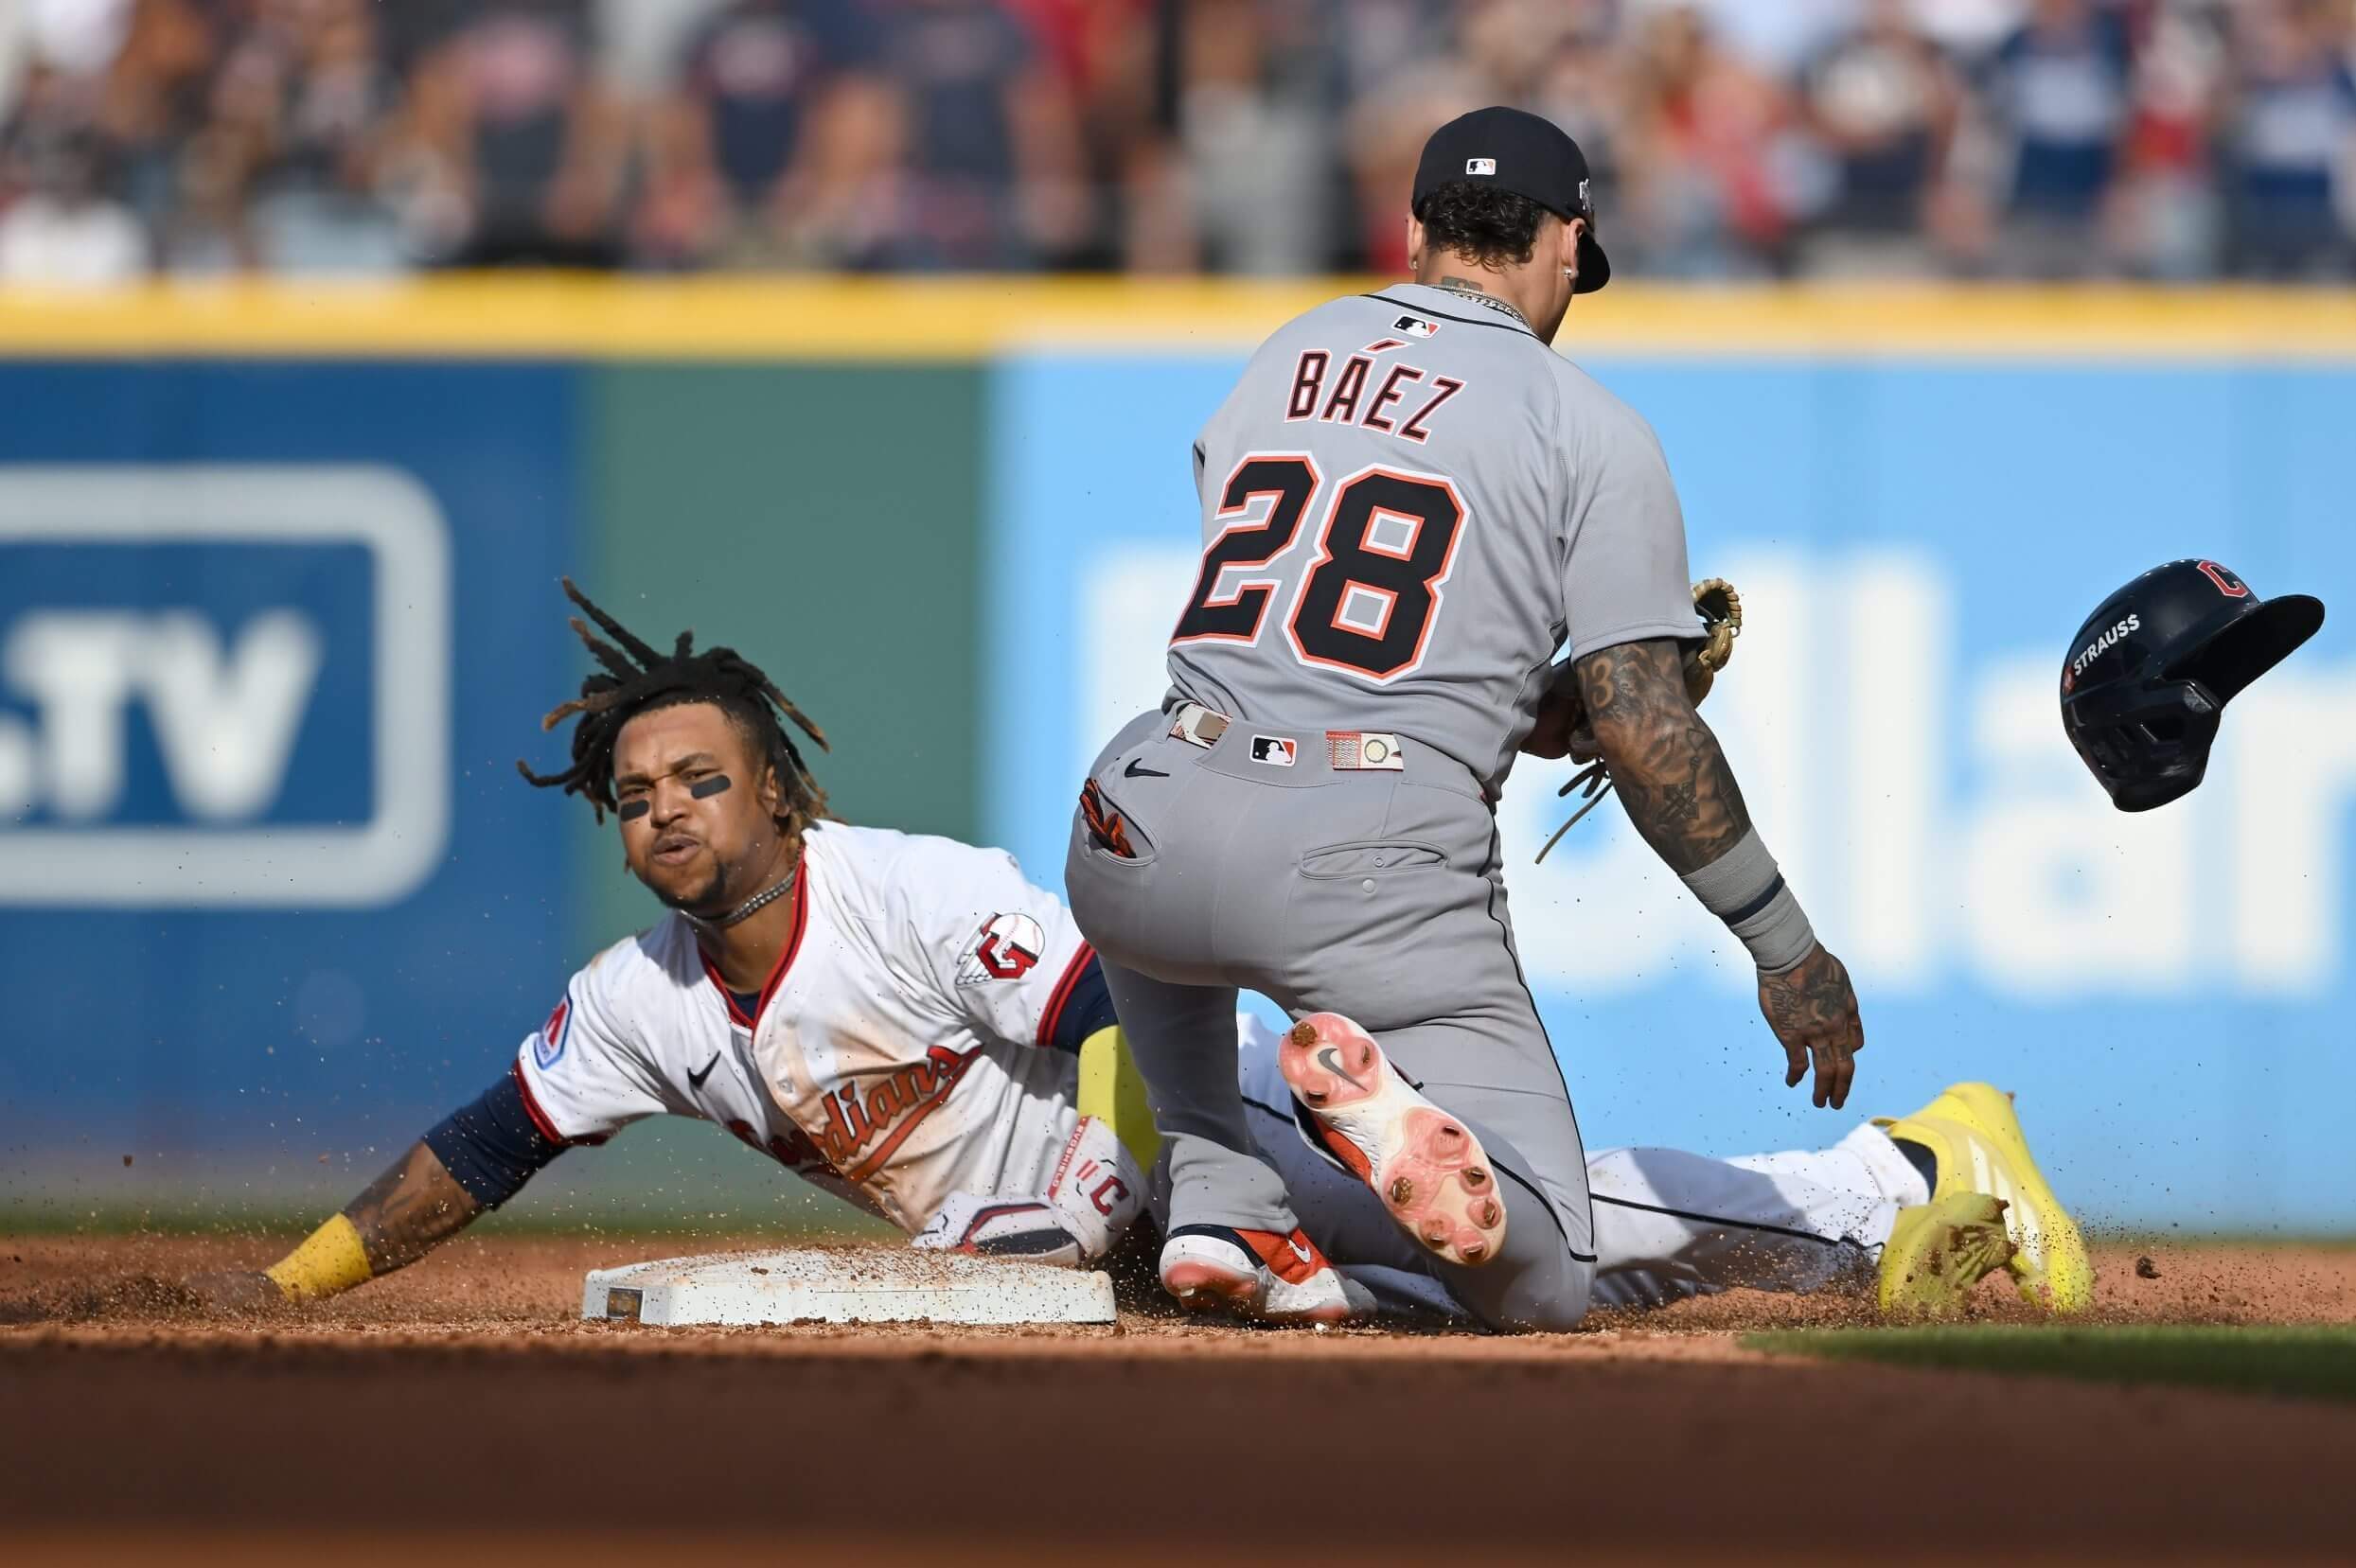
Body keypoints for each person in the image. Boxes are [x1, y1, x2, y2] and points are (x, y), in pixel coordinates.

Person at [192, 582, 2091, 1326]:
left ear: (780, 788)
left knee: (1537, 1235)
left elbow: (1110, 1000)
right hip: (1104, 1232)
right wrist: (294, 1282)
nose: (665, 812)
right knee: (1480, 1285)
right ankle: (1879, 1216)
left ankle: (1907, 1164)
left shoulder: (903, 891)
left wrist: (1183, 1184)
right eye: (634, 797)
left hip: (1200, 1133)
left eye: (700, 778)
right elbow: (486, 1142)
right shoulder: (644, 1004)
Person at [1064, 104, 1925, 1333]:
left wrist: (1531, 700)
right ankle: (1377, 1129)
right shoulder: (1588, 426)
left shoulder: (1290, 348)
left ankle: (1219, 1193)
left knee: (1171, 885)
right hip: (1358, 864)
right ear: (1567, 243)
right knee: (1547, 1267)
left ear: (1417, 231)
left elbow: (1306, 635)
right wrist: (1785, 949)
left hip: (1141, 821)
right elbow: (1649, 737)